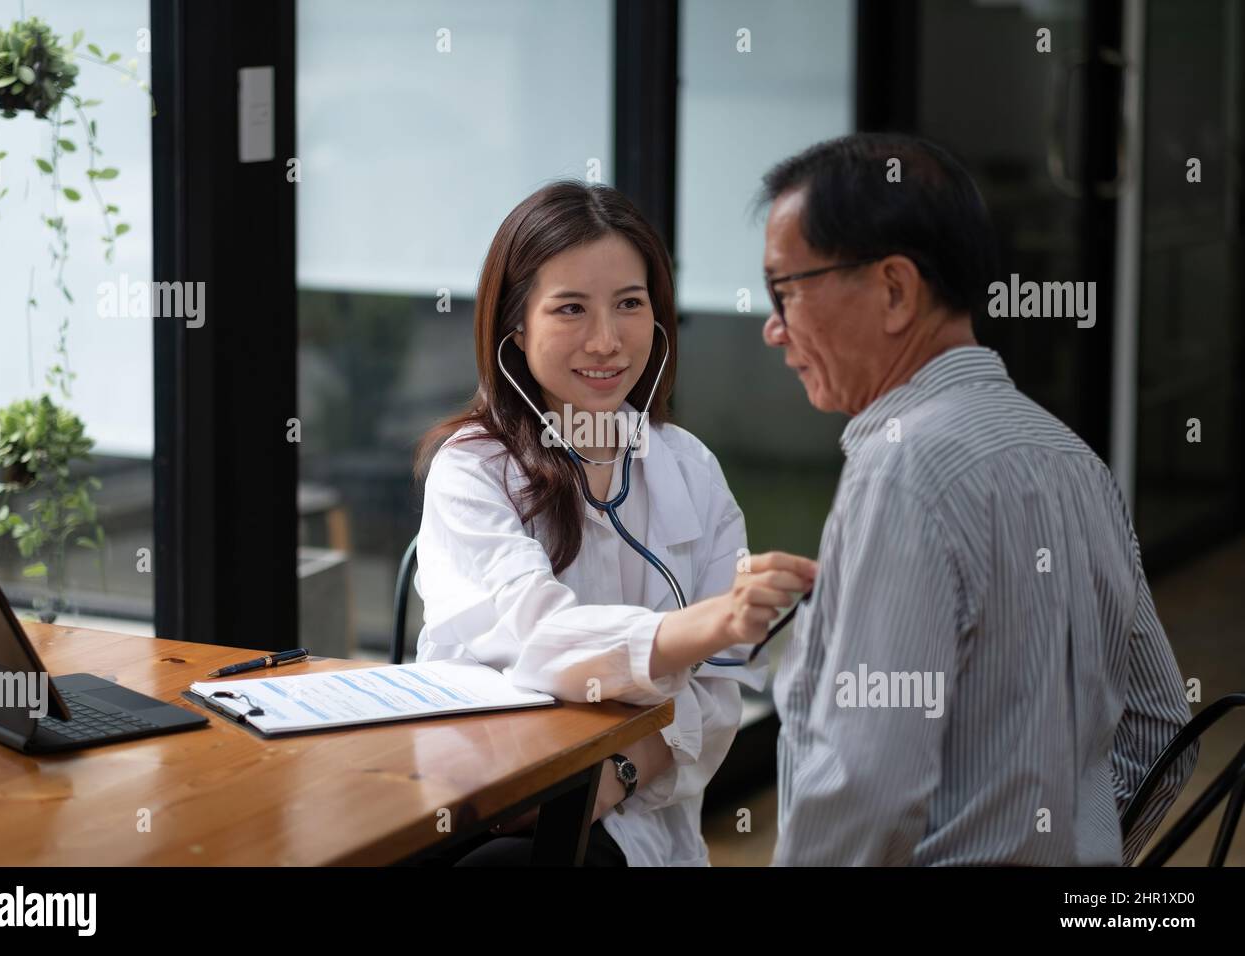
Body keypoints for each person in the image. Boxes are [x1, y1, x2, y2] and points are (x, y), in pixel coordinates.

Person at [755, 132, 1197, 865]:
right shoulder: (1074, 459)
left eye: (785, 291)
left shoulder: (903, 471)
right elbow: (1161, 732)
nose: (773, 328)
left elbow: (865, 788)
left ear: (894, 290)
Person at [413, 180, 816, 865]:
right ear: (516, 326)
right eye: (570, 309)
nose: (606, 341)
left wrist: (615, 775)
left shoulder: (689, 468)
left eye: (629, 304)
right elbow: (539, 638)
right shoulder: (473, 467)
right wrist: (704, 626)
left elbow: (723, 689)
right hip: (489, 806)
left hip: (637, 822)